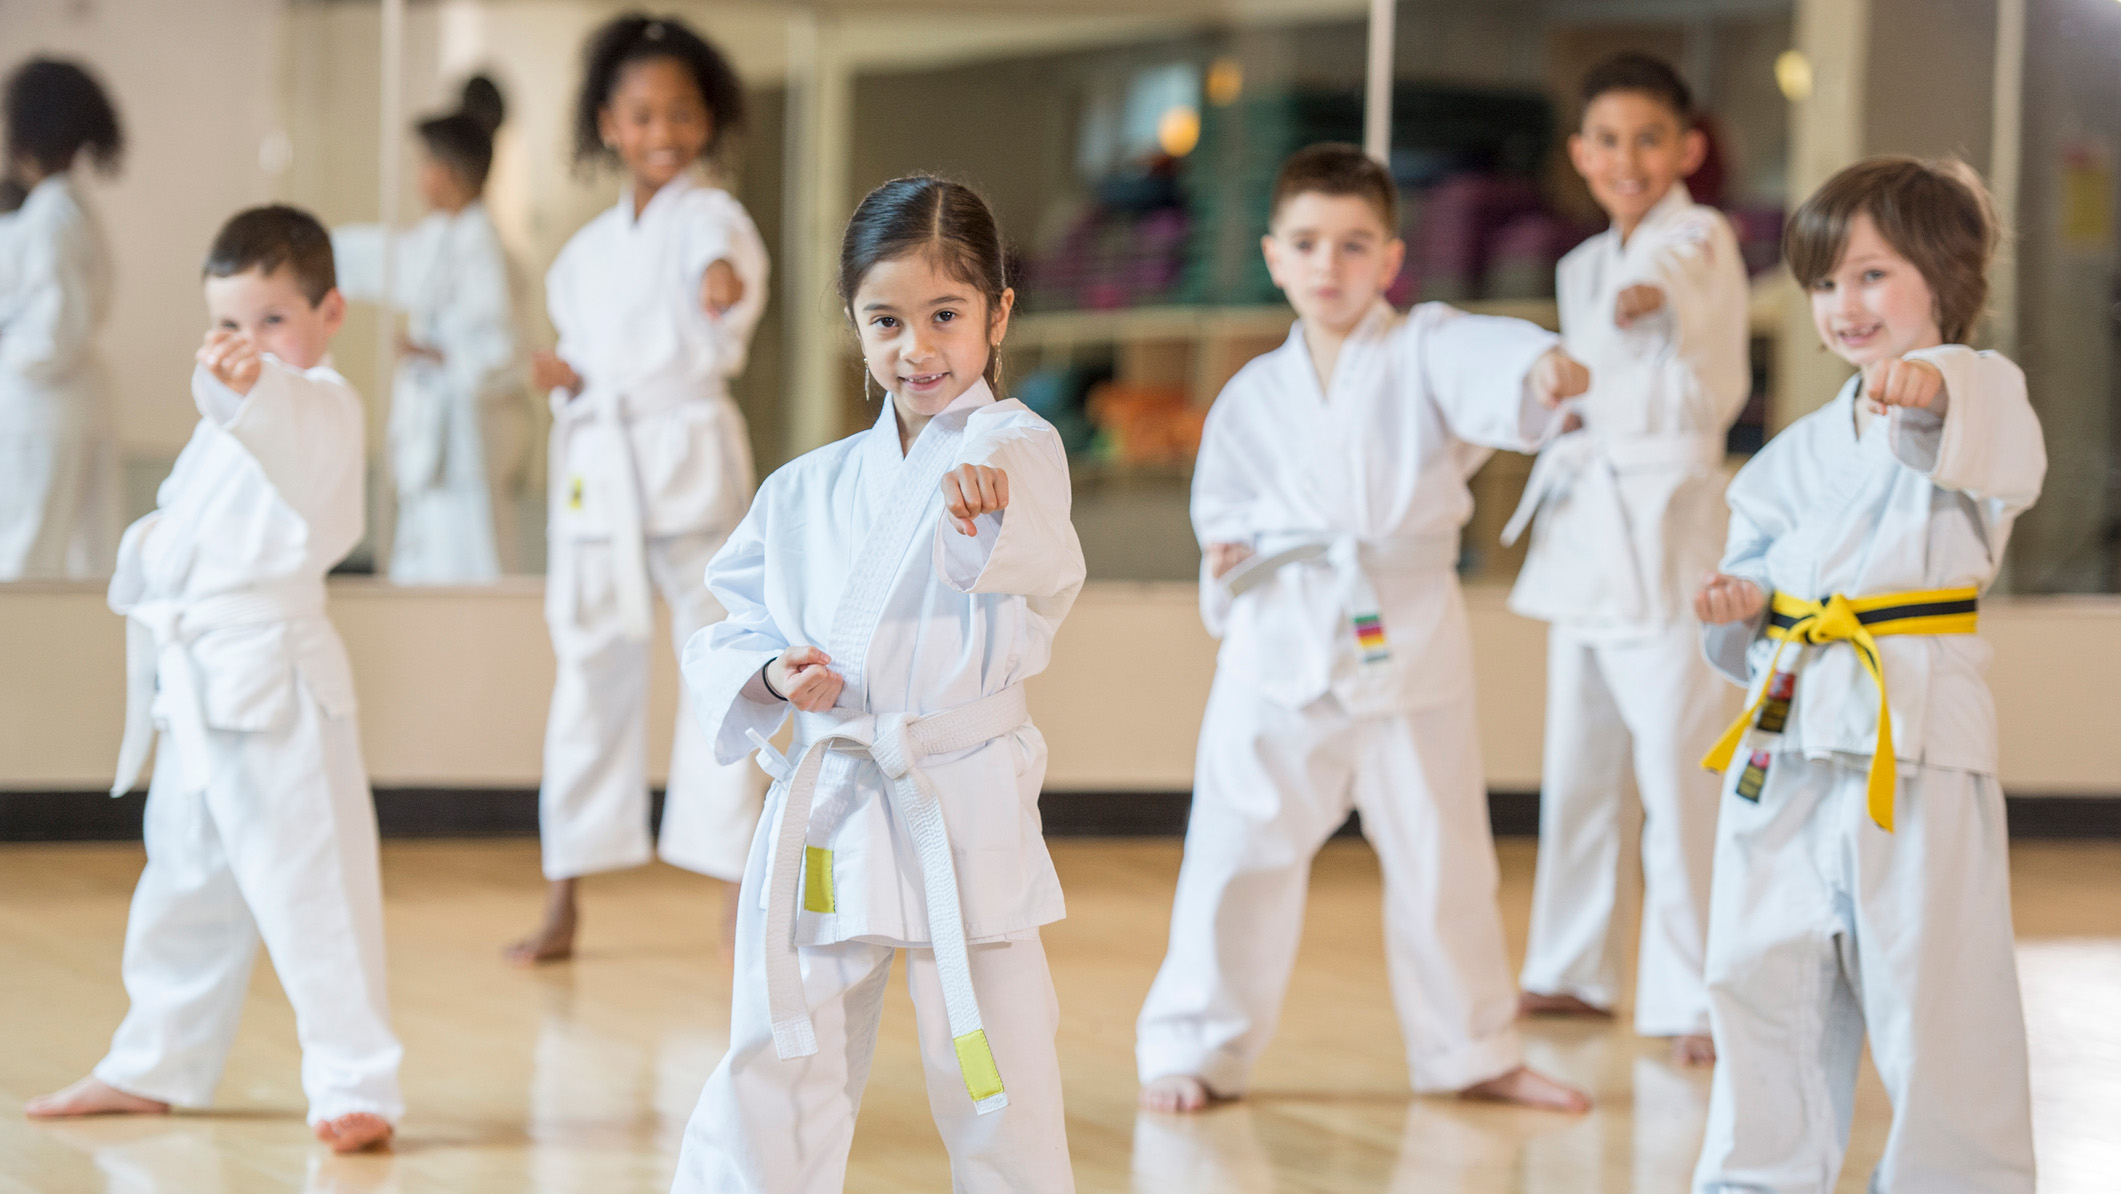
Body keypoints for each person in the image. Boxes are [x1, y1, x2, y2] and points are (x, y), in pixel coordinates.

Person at [1135, 143, 1594, 1116]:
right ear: (1273, 256)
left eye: (1353, 245)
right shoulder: (1253, 394)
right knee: (1233, 852)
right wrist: (1228, 555)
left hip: (1405, 634)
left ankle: (1471, 1050)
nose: (1328, 265)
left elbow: (1486, 358)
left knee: (1442, 854)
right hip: (1277, 644)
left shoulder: (1424, 347)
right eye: (1306, 243)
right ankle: (1195, 1047)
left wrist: (1540, 368)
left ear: (1390, 258)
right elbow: (1223, 510)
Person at [669, 175, 1083, 1194]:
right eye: (886, 321)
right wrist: (772, 673)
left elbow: (1034, 541)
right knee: (782, 1049)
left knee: (994, 1068)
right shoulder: (802, 489)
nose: (916, 348)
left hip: (959, 797)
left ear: (998, 314)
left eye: (945, 315)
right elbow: (732, 623)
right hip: (837, 800)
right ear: (853, 323)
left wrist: (985, 511)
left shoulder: (1016, 449)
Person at [1691, 156, 2042, 1192]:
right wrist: (1742, 603)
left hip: (1914, 730)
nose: (1844, 304)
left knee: (1934, 983)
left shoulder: (1980, 387)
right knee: (1758, 966)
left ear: (1947, 276)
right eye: (1824, 282)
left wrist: (1934, 390)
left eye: (1872, 276)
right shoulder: (1794, 453)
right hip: (1790, 723)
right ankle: (1756, 1177)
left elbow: (1991, 446)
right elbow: (1760, 565)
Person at [23, 205, 402, 1154]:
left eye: (274, 320)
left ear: (329, 314)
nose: (249, 343)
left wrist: (254, 388)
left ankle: (355, 1081)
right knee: (184, 880)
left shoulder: (322, 404)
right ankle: (153, 1061)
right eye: (229, 323)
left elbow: (291, 425)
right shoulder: (223, 421)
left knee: (313, 884)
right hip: (198, 681)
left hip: (276, 683)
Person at [1504, 52, 1749, 1065]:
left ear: (1686, 149)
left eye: (1648, 139)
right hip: (1587, 528)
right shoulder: (1579, 264)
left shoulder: (1698, 238)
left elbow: (1670, 285)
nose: (1627, 159)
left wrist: (1648, 297)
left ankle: (1699, 993)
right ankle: (1571, 967)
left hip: (1667, 524)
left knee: (1679, 769)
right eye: (1606, 141)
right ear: (1579, 153)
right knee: (1579, 764)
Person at [512, 15, 770, 965]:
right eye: (643, 114)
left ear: (709, 120)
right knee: (586, 678)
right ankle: (563, 895)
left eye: (682, 113)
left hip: (687, 465)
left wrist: (719, 283)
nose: (664, 132)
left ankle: (738, 890)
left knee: (725, 669)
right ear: (608, 125)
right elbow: (589, 362)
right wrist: (566, 380)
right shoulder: (581, 256)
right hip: (601, 475)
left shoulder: (713, 218)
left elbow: (723, 269)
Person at [334, 74, 523, 583]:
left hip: (463, 447)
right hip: (435, 444)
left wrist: (436, 355)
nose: (418, 178)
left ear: (447, 173)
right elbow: (391, 260)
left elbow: (502, 350)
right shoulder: (446, 236)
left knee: (464, 563)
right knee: (427, 560)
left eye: (423, 166)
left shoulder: (480, 245)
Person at [0, 57, 121, 581]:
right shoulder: (64, 210)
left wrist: (7, 345)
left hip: (41, 413)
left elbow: (52, 336)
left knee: (24, 568)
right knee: (74, 567)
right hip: (65, 409)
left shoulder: (51, 217)